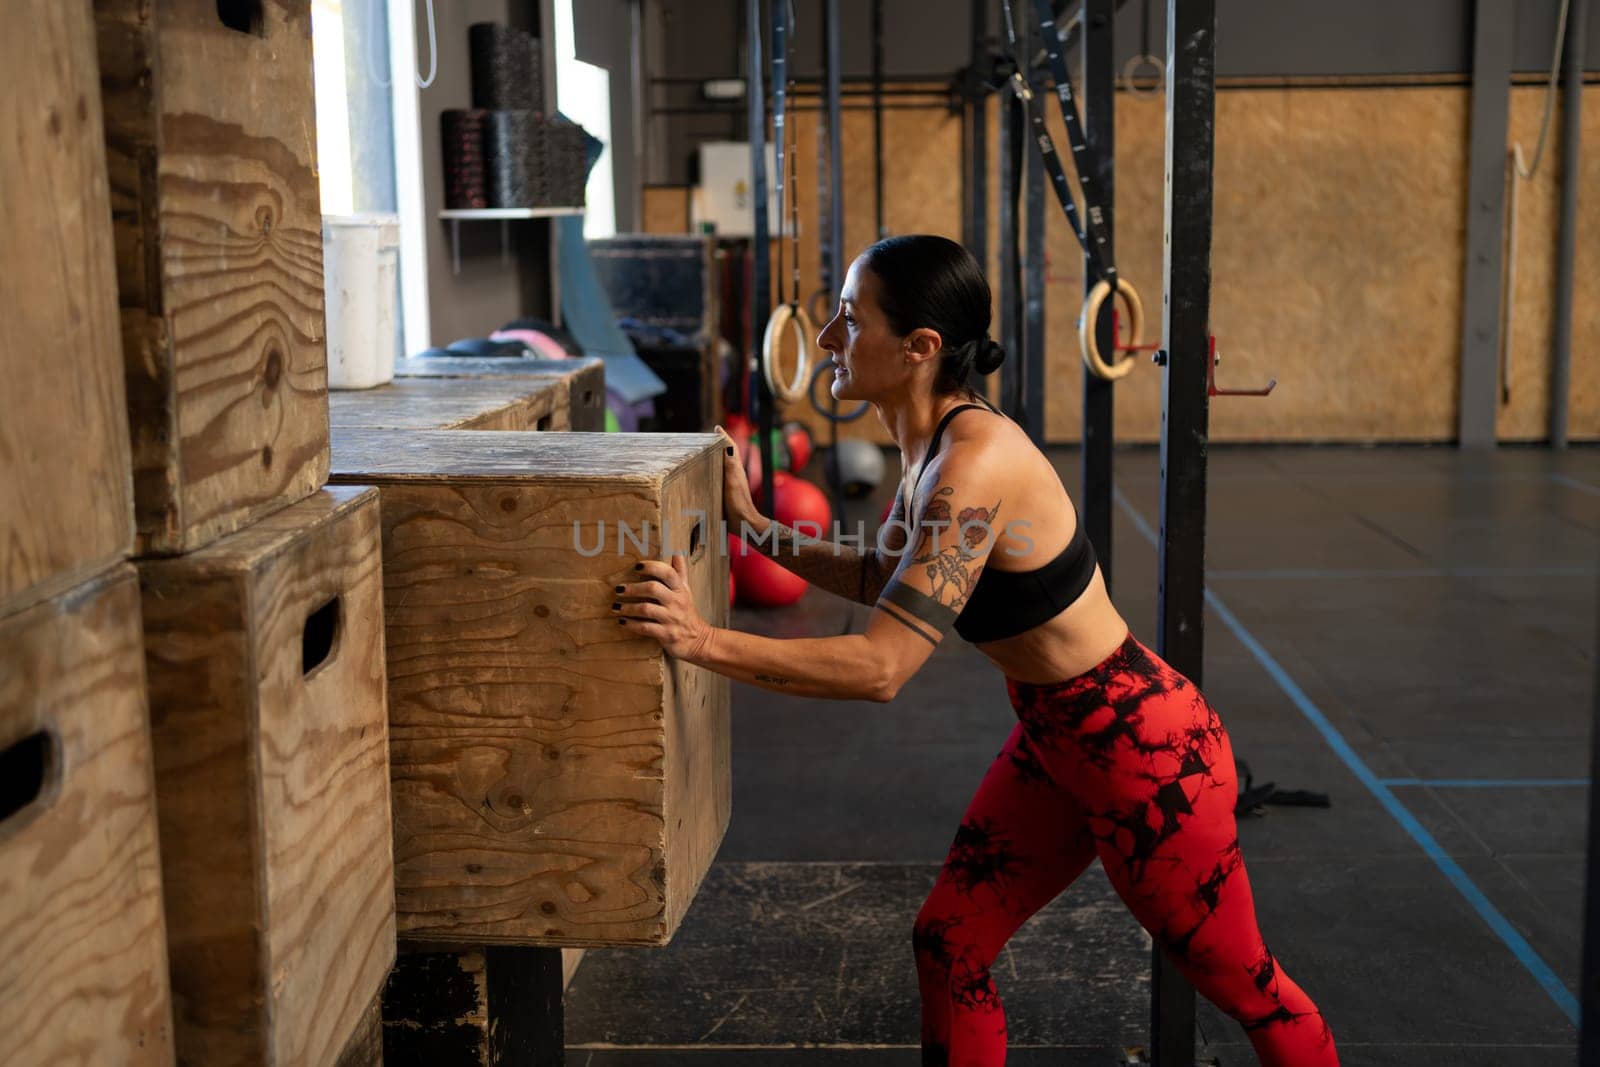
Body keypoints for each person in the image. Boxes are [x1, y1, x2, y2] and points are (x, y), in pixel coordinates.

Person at [613, 234, 1338, 1067]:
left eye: (849, 320)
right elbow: (880, 573)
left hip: (1149, 754)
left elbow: (883, 666)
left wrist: (699, 639)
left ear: (921, 347)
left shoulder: (975, 462)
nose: (825, 342)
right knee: (950, 940)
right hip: (1058, 736)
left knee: (1244, 982)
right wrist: (753, 527)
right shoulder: (926, 449)